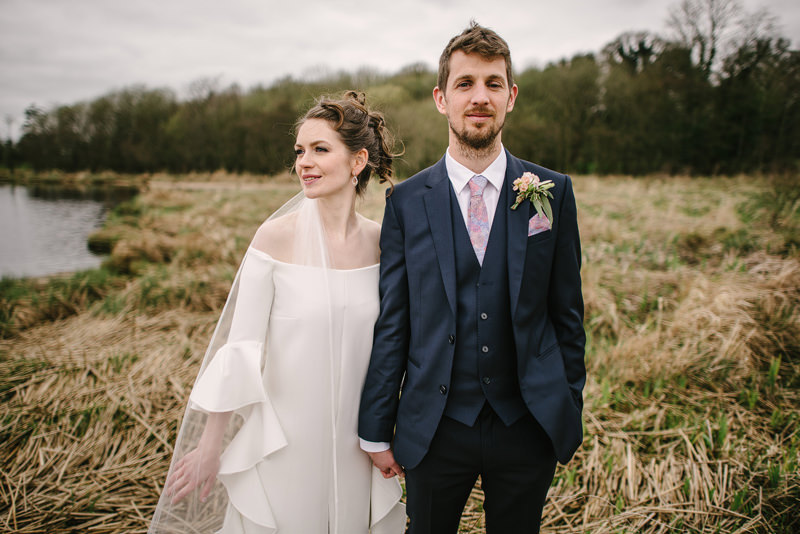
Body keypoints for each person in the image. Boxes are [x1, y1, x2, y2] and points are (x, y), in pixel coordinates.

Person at [358, 22, 586, 533]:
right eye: (465, 84)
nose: (479, 97)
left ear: (512, 96)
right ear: (441, 98)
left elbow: (566, 312)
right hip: (434, 428)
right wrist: (375, 429)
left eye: (493, 83)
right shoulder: (406, 203)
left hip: (527, 423)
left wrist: (567, 403)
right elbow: (393, 322)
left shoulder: (551, 191)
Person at [149, 91, 406, 534]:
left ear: (358, 160)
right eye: (300, 151)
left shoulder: (382, 243)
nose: (304, 162)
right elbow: (241, 348)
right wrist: (212, 446)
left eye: (320, 149)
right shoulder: (273, 239)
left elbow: (397, 345)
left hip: (356, 442)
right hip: (287, 441)